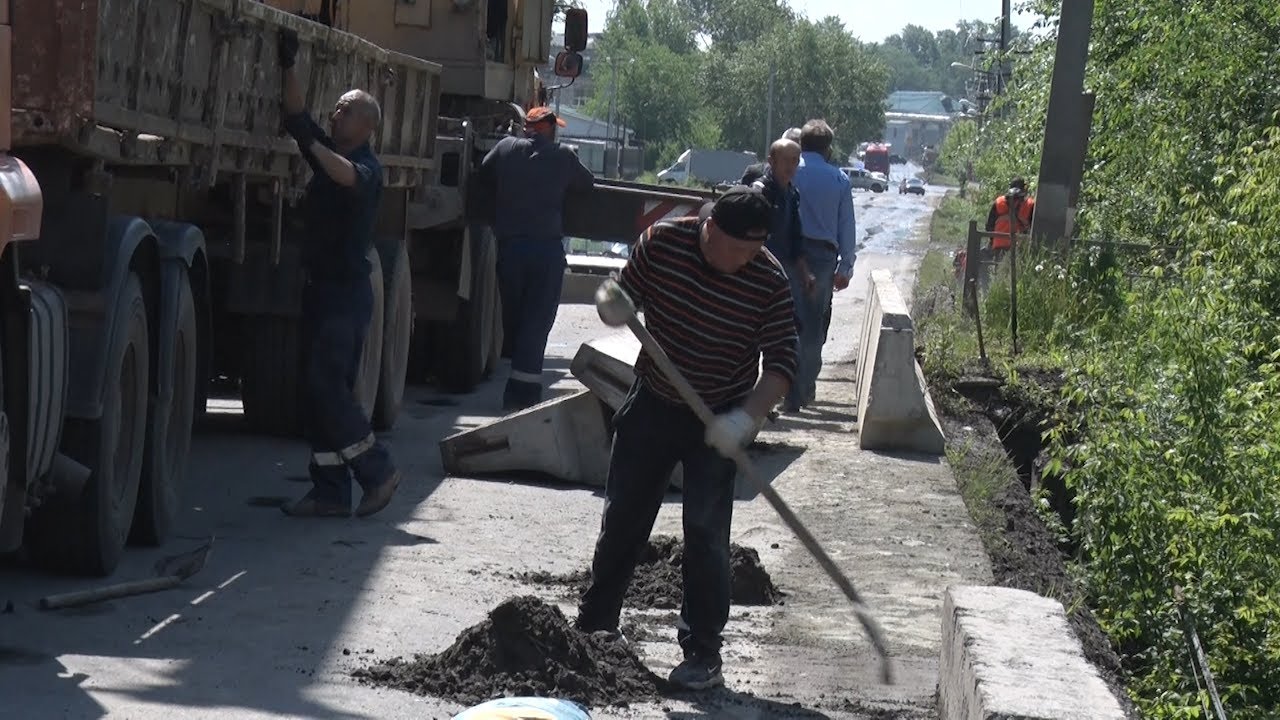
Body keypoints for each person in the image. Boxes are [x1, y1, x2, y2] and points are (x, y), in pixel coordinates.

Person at [574, 186, 799, 691]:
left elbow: (783, 363)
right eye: (737, 250)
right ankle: (596, 625)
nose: (745, 262)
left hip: (719, 414)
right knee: (625, 518)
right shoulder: (662, 243)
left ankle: (703, 650)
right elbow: (623, 296)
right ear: (710, 228)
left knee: (706, 533)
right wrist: (613, 303)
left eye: (754, 252)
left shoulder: (768, 278)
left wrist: (745, 418)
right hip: (654, 401)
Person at [276, 29, 400, 518]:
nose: (336, 113)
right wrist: (288, 65)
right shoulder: (329, 148)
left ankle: (379, 470)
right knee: (314, 390)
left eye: (346, 110)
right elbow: (297, 117)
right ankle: (329, 491)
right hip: (321, 289)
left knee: (328, 387)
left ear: (366, 125)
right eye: (337, 108)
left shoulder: (366, 168)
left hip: (346, 297)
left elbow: (339, 171)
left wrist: (311, 142)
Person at [474, 106, 595, 411]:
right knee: (537, 320)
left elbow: (483, 172)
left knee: (517, 317)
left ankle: (517, 376)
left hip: (511, 249)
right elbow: (587, 183)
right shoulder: (564, 157)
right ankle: (522, 395)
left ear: (526, 127)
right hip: (545, 252)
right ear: (551, 129)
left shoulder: (505, 149)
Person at [785, 119, 856, 413]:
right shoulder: (839, 179)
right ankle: (804, 388)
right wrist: (846, 266)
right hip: (824, 259)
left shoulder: (790, 172)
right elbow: (846, 225)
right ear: (828, 148)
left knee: (784, 320)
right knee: (813, 325)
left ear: (801, 144)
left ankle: (785, 387)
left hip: (789, 253)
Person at [746, 138, 814, 300]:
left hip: (783, 270)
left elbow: (796, 236)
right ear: (772, 161)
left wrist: (805, 273)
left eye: (794, 161)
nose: (790, 166)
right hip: (757, 269)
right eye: (785, 160)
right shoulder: (760, 192)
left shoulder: (792, 194)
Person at [985, 176, 1035, 257]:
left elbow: (989, 226)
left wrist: (993, 240)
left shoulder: (998, 202)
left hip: (999, 246)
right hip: (1019, 248)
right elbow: (1033, 229)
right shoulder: (1030, 204)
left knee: (998, 268)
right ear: (1024, 189)